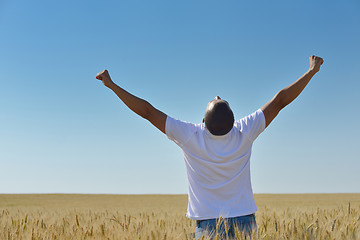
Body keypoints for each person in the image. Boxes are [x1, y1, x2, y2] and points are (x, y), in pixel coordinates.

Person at [96, 55, 324, 239]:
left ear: (203, 122)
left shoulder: (190, 135)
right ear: (234, 121)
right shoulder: (245, 131)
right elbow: (280, 100)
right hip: (245, 220)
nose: (216, 96)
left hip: (208, 226)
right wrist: (311, 71)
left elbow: (147, 112)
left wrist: (112, 85)